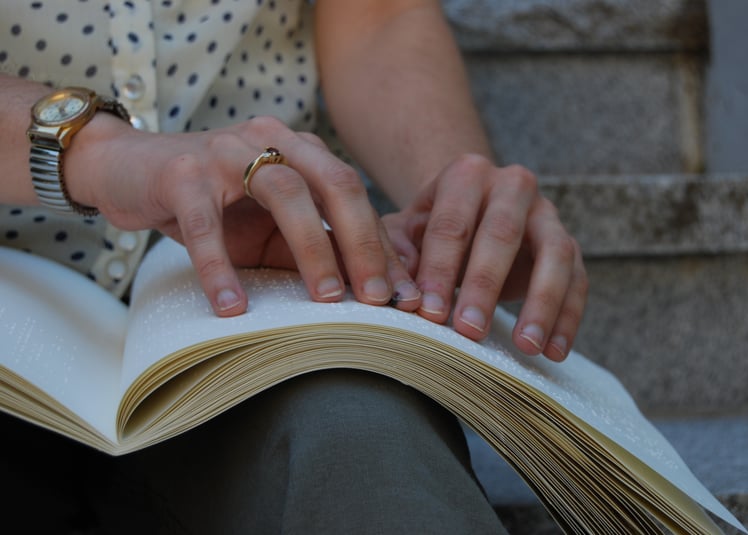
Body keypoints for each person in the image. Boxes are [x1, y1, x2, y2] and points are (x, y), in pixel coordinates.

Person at [0, 1, 587, 533]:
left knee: (364, 442)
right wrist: (96, 152)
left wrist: (454, 206)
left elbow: (377, 17)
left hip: (269, 273)